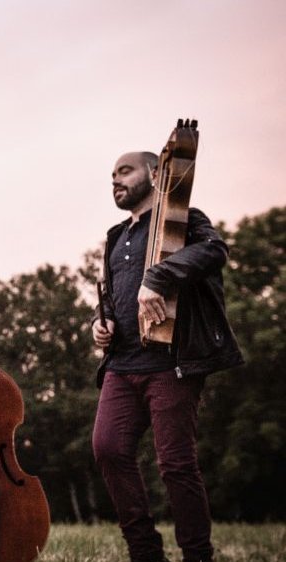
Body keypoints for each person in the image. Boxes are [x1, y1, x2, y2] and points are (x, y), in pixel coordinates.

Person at [91, 151, 244, 562]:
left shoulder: (188, 220)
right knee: (108, 448)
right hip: (121, 365)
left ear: (156, 174)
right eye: (112, 176)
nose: (116, 180)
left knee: (175, 463)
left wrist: (157, 276)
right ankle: (145, 553)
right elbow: (109, 296)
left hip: (171, 363)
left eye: (125, 171)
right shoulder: (115, 235)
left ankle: (198, 554)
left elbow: (215, 251)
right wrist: (98, 324)